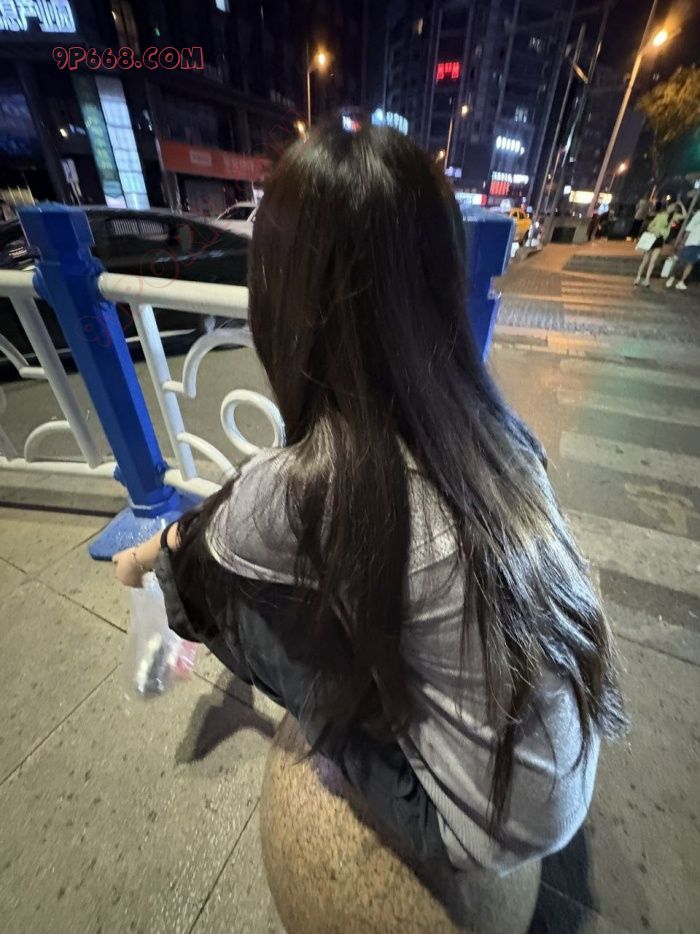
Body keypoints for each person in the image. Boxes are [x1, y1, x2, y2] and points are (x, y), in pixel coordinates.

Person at [113, 122, 626, 921]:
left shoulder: (306, 486)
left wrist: (145, 555)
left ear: (285, 302)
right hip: (562, 773)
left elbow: (201, 544)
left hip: (479, 826)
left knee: (213, 590)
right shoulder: (494, 432)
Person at [634, 202, 676, 287]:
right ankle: (638, 277)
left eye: (673, 207)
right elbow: (650, 226)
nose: (671, 208)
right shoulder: (659, 215)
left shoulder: (671, 219)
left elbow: (667, 233)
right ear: (667, 207)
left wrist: (661, 232)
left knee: (652, 261)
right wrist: (654, 230)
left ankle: (647, 280)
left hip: (659, 240)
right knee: (645, 260)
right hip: (651, 238)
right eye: (671, 206)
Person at [666, 209, 700, 291]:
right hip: (691, 242)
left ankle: (681, 281)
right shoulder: (699, 214)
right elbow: (689, 227)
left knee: (691, 264)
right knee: (681, 262)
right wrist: (683, 241)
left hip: (698, 245)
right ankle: (672, 277)